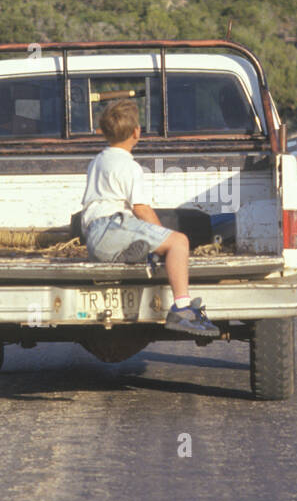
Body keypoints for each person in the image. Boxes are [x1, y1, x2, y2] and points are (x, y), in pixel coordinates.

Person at [80, 98, 221, 337]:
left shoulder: (97, 161)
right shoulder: (129, 165)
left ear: (104, 132)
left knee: (144, 240)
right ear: (137, 132)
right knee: (178, 242)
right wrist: (162, 235)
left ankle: (138, 253)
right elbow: (141, 209)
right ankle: (182, 309)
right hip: (112, 226)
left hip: (94, 236)